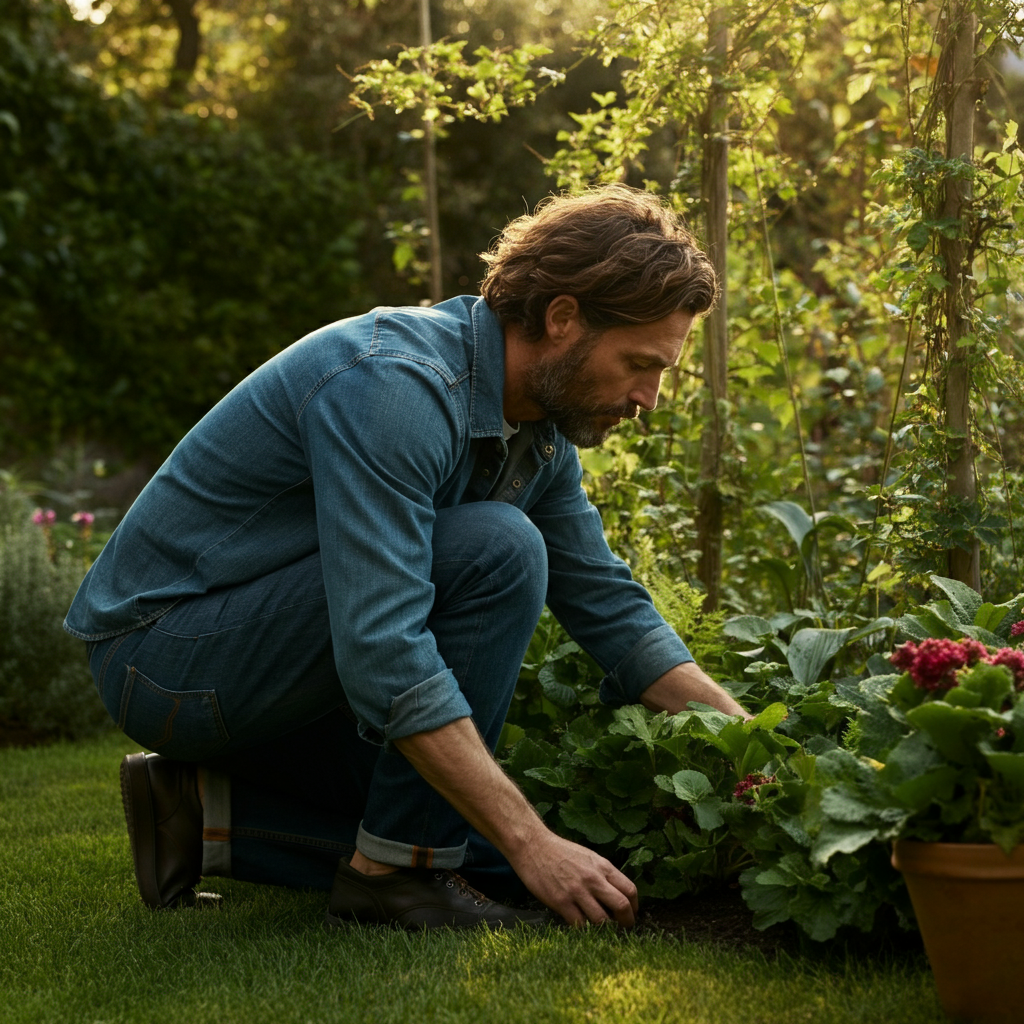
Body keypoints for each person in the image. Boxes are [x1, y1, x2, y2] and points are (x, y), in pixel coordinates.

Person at [65, 184, 749, 931]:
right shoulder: (396, 386)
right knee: (501, 551)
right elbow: (382, 647)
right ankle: (400, 878)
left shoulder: (537, 435)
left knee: (500, 841)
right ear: (562, 319)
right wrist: (530, 844)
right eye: (639, 364)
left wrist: (757, 749)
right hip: (167, 657)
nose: (649, 398)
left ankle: (202, 817)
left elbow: (614, 612)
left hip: (267, 661)